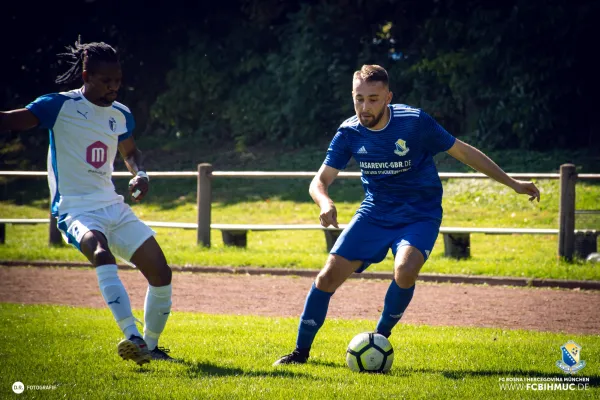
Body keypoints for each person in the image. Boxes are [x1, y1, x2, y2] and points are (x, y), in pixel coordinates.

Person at [273, 64, 540, 365]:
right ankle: (300, 352)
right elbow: (319, 181)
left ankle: (379, 339)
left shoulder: (414, 123)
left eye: (373, 99)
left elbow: (464, 152)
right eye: (359, 98)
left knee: (406, 269)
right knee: (326, 278)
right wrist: (324, 202)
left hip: (420, 213)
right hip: (375, 213)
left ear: (388, 97)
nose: (365, 106)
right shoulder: (348, 133)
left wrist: (513, 183)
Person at [0, 39, 174, 365]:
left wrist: (141, 174)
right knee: (100, 251)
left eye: (118, 80)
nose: (114, 87)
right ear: (86, 75)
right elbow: (10, 120)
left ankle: (149, 347)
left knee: (161, 271)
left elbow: (131, 152)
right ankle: (132, 336)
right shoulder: (58, 106)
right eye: (107, 81)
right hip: (75, 208)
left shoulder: (121, 114)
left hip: (113, 205)